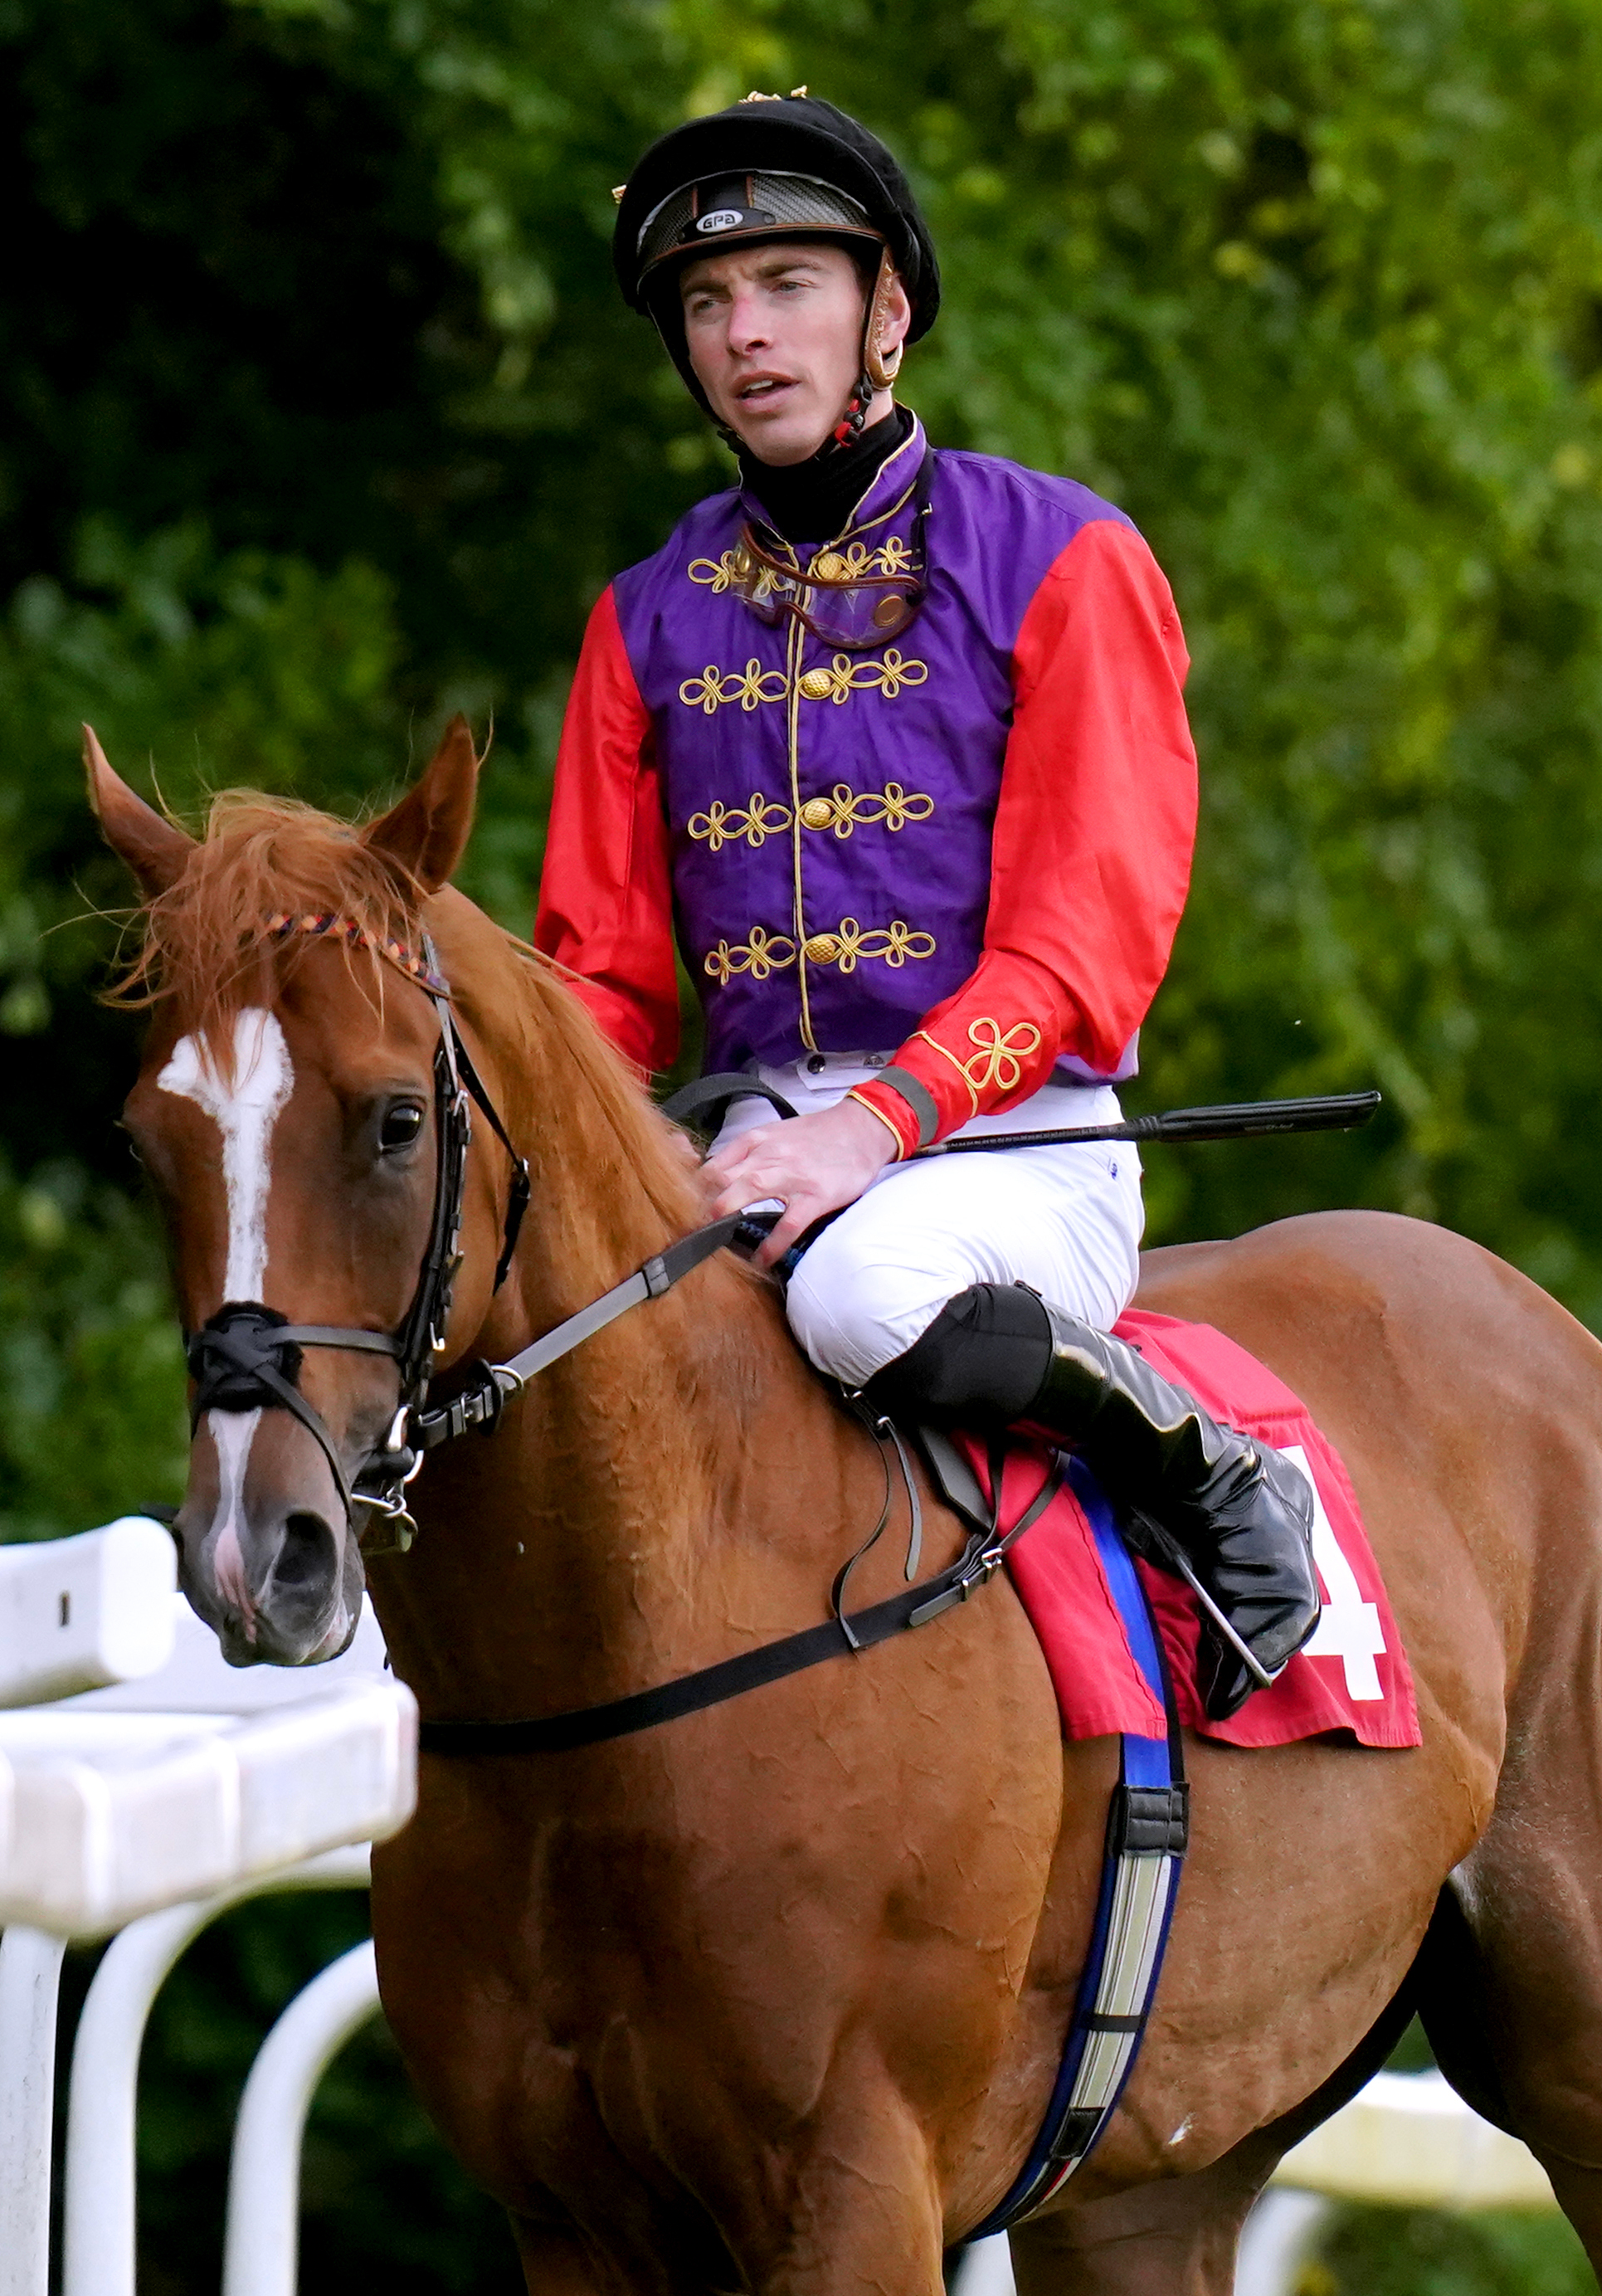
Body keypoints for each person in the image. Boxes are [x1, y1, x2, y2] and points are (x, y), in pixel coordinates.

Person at [533, 93, 1322, 1720]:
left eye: (789, 286)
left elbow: (1081, 944)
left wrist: (872, 1127)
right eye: (705, 303)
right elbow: (598, 983)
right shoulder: (642, 619)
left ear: (887, 310)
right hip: (745, 1153)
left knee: (858, 1292)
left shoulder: (1067, 557)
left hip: (1012, 1145)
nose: (745, 335)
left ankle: (1212, 1474)